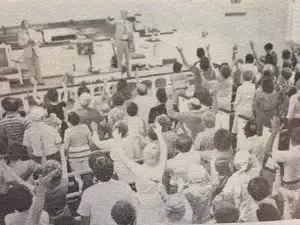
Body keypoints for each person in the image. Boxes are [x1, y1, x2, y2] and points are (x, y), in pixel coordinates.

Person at [77, 154, 138, 225]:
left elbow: (84, 220)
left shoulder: (88, 192)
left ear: (95, 173)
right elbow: (135, 210)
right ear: (113, 171)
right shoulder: (124, 186)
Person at [108, 10, 135, 77]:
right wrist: (108, 17)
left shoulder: (130, 23)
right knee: (119, 58)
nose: (123, 15)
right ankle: (119, 74)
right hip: (120, 42)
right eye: (122, 14)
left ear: (126, 15)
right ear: (120, 15)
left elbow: (131, 35)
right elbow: (109, 24)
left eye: (124, 14)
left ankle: (129, 73)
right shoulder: (117, 22)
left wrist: (132, 45)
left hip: (127, 42)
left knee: (128, 59)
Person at [18, 20, 44, 85]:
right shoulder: (21, 33)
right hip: (27, 51)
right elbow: (20, 44)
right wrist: (27, 42)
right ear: (22, 25)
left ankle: (40, 80)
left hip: (35, 50)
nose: (26, 25)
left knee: (37, 66)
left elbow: (39, 40)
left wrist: (34, 41)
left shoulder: (33, 31)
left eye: (27, 23)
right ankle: (33, 82)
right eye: (24, 24)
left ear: (29, 24)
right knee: (30, 67)